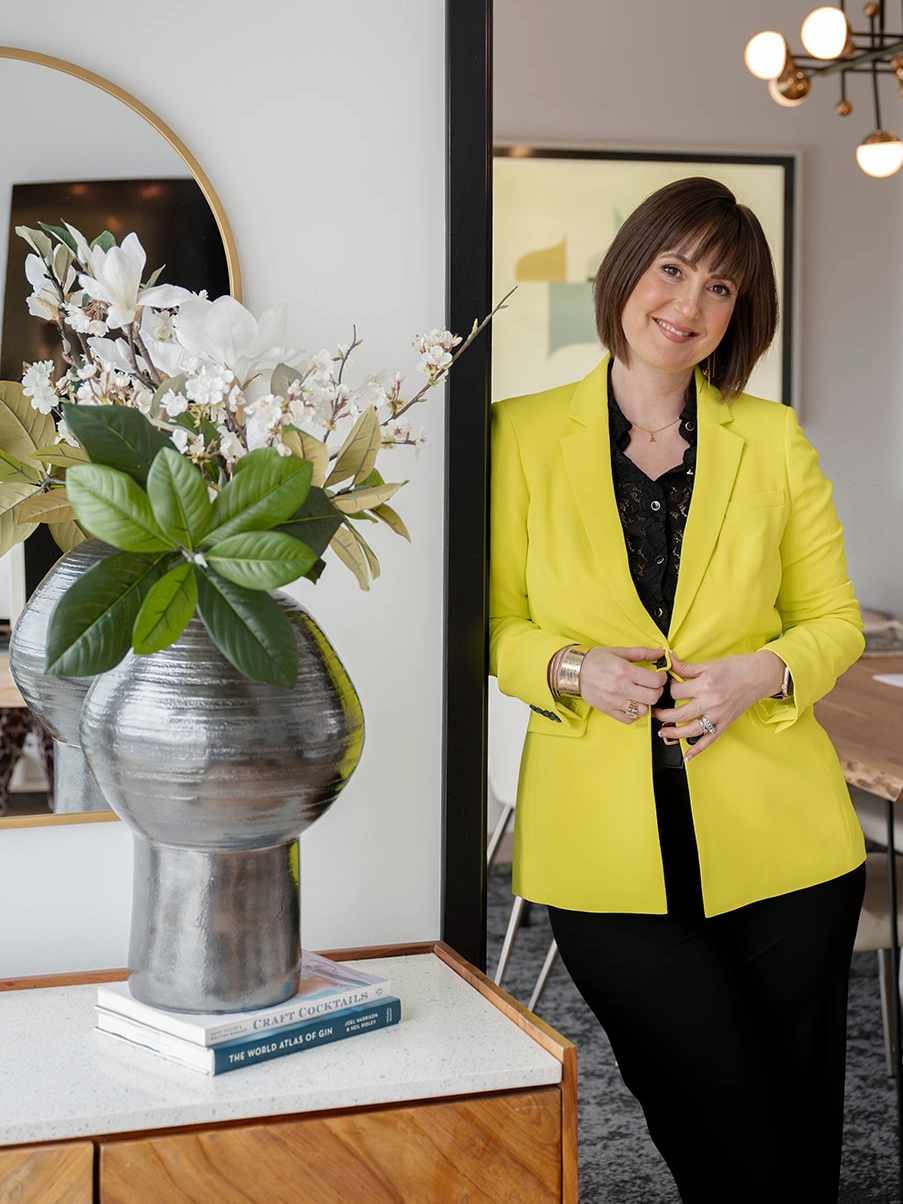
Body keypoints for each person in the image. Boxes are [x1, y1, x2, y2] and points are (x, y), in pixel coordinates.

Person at [489, 176, 866, 1204]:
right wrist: (572, 667)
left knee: (795, 1126)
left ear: (739, 314)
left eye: (721, 287)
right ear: (628, 271)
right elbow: (493, 624)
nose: (689, 303)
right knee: (715, 1117)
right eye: (672, 269)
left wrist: (762, 671)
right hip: (601, 850)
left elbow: (833, 619)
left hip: (786, 842)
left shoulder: (771, 439)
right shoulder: (516, 435)